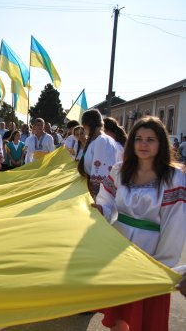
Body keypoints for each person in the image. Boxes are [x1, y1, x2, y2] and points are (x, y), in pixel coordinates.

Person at [93, 116, 186, 331]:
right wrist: (101, 211)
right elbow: (106, 201)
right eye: (139, 138)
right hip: (119, 249)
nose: (143, 144)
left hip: (151, 252)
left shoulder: (173, 177)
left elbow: (175, 223)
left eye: (150, 139)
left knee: (144, 315)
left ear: (161, 143)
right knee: (119, 314)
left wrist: (161, 265)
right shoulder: (120, 170)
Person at [77, 109, 119, 198]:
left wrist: (96, 199)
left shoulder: (102, 141)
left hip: (102, 199)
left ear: (85, 126)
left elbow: (100, 177)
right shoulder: (98, 141)